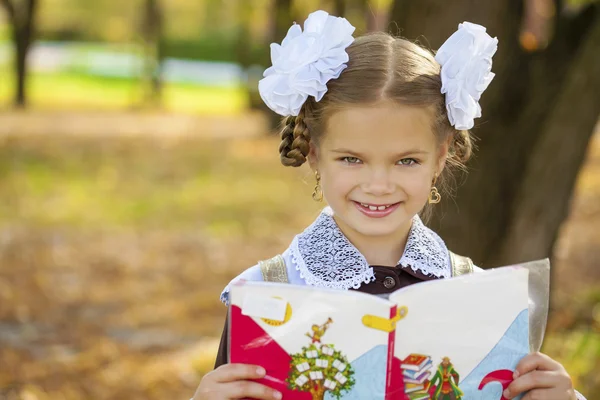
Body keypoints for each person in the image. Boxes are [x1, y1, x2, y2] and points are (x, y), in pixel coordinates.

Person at [193, 10, 585, 400]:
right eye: (351, 159)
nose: (378, 185)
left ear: (440, 157)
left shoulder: (481, 297)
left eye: (406, 161)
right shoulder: (264, 298)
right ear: (314, 153)